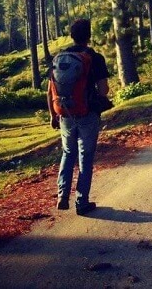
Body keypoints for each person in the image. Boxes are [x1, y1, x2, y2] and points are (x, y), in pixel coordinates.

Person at [47, 18, 110, 216]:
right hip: (87, 113)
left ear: (72, 35)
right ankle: (81, 202)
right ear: (89, 36)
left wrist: (53, 115)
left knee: (67, 153)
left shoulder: (60, 58)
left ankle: (62, 195)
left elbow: (50, 91)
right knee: (85, 156)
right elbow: (104, 89)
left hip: (64, 112)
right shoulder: (95, 58)